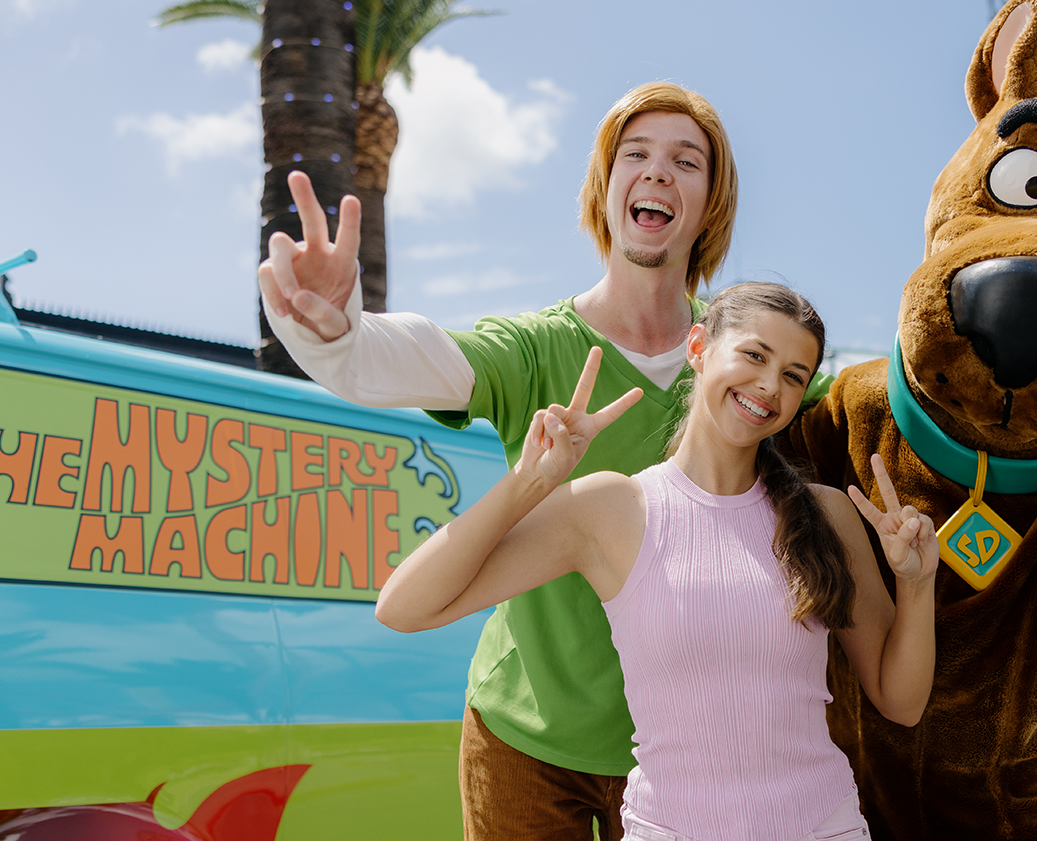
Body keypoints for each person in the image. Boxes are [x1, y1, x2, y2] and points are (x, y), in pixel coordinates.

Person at [259, 83, 812, 839]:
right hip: (521, 736)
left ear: (710, 201)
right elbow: (408, 360)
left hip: (675, 751)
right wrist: (335, 334)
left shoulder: (747, 374)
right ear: (605, 186)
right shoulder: (532, 347)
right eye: (635, 154)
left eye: (686, 161)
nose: (656, 173)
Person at [376, 283, 939, 841]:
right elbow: (403, 606)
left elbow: (902, 701)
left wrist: (916, 584)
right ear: (698, 348)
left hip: (825, 828)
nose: (769, 385)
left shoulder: (828, 515)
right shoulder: (611, 508)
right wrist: (531, 480)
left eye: (794, 375)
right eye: (754, 355)